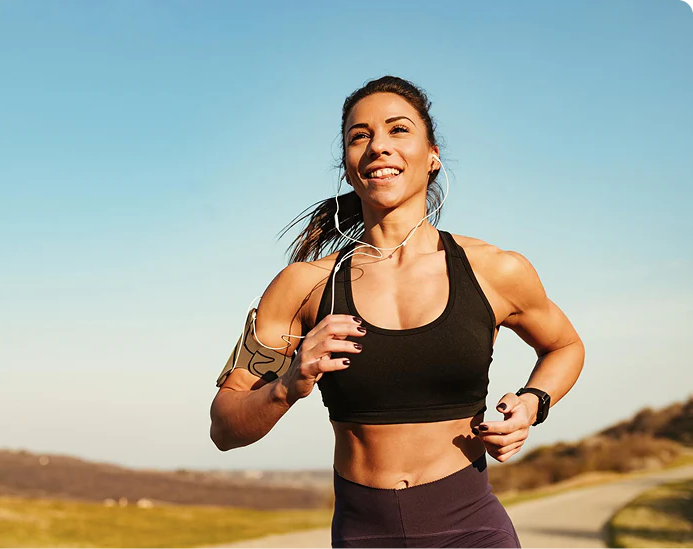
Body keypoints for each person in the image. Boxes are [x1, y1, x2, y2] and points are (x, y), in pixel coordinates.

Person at [209, 75, 585, 548]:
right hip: (363, 533)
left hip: (471, 529)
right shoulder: (302, 287)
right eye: (359, 136)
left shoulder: (495, 270)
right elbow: (224, 427)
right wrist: (289, 384)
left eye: (398, 130)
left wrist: (534, 402)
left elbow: (565, 345)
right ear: (348, 167)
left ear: (432, 157)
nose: (378, 146)